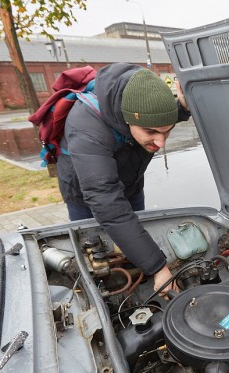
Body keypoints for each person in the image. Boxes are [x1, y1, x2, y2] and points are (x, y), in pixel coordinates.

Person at [57, 63, 190, 294]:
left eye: (167, 131)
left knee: (134, 232)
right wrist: (158, 267)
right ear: (127, 119)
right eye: (151, 133)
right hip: (85, 196)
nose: (161, 143)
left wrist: (183, 108)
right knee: (94, 252)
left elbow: (159, 119)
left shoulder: (142, 107)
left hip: (130, 183)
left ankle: (135, 268)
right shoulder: (87, 127)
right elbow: (107, 204)